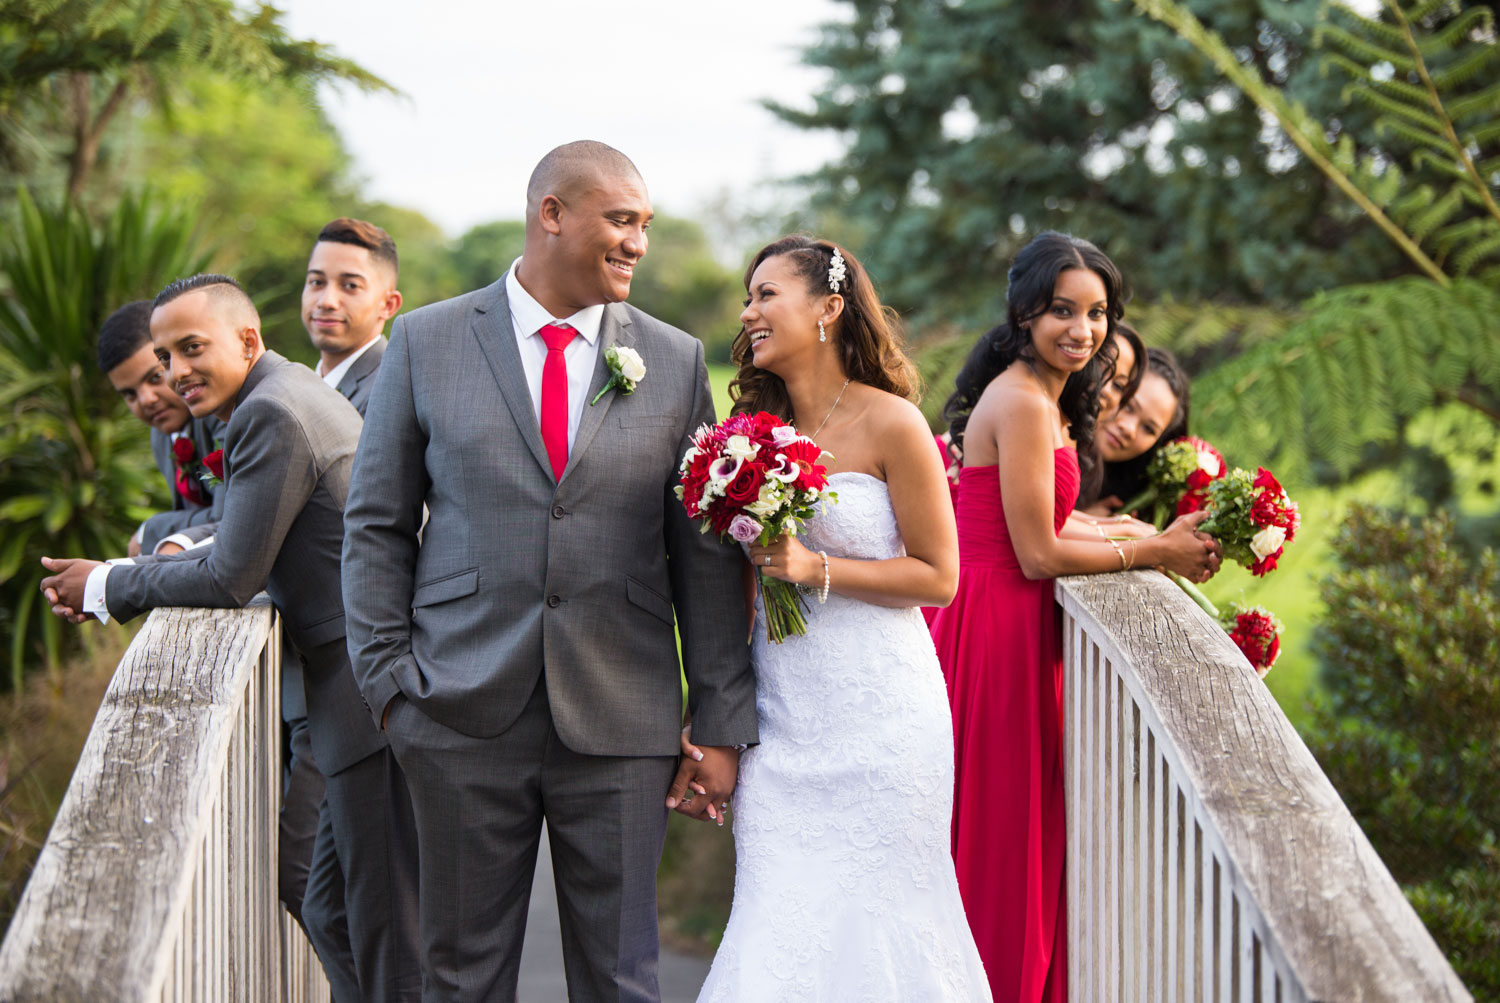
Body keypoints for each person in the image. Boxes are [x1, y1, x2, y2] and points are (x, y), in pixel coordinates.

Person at [340, 141, 757, 1002]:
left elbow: (704, 559)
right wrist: (388, 686)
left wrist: (719, 715)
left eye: (645, 223)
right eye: (622, 219)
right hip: (455, 711)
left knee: (621, 978)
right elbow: (376, 526)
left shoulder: (675, 362)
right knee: (459, 976)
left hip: (623, 717)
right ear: (552, 213)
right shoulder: (426, 341)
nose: (639, 241)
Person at [41, 275, 420, 1003]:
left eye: (190, 348)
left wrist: (104, 584)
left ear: (248, 340)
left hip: (365, 690)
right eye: (165, 356)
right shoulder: (276, 395)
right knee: (328, 906)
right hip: (355, 685)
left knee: (382, 932)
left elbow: (226, 576)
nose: (178, 372)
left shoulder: (270, 411)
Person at [684, 236, 991, 1001]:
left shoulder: (893, 424)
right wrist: (716, 716)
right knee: (777, 914)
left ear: (827, 308)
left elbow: (940, 576)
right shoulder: (747, 436)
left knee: (883, 915)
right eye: (748, 298)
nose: (749, 312)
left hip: (884, 716)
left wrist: (815, 567)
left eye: (766, 294)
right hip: (785, 714)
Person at [928, 233, 1220, 1002]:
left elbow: (1048, 516)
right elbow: (1036, 551)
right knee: (1003, 836)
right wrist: (1153, 551)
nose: (1082, 330)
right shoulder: (1023, 401)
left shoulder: (1040, 395)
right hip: (999, 628)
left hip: (1010, 621)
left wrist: (1118, 529)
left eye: (1096, 313)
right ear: (1025, 311)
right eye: (1063, 310)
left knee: (1023, 830)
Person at [97, 299, 225, 555]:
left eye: (155, 377)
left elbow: (227, 516)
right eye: (130, 394)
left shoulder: (222, 412)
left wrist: (151, 529)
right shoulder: (161, 435)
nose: (146, 400)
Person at [303, 217, 402, 416]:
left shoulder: (394, 393)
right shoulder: (297, 386)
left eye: (350, 286)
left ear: (388, 304)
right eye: (317, 282)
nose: (326, 301)